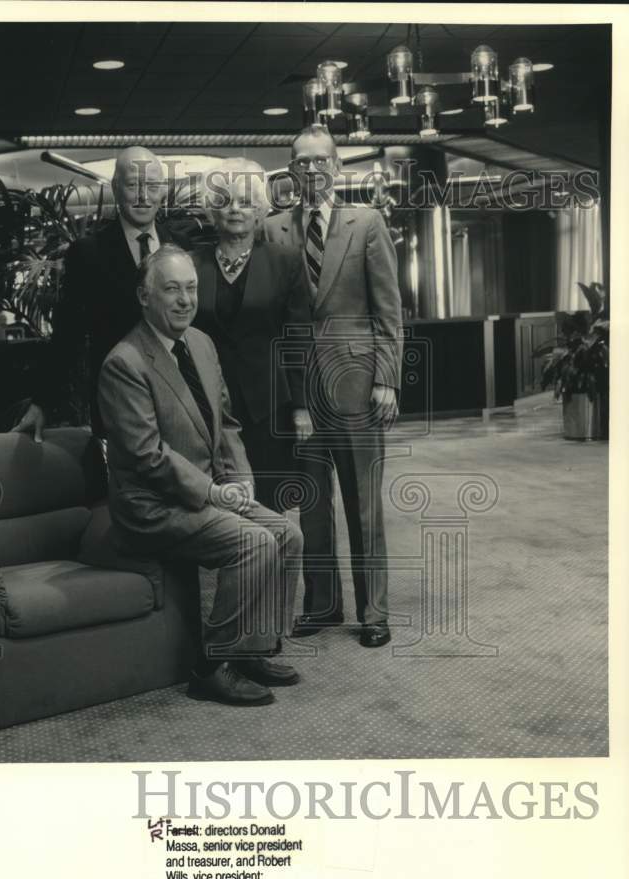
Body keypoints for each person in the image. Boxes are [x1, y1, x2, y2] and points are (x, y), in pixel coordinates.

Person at [97, 245, 304, 706]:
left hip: (209, 493)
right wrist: (213, 491)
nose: (185, 299)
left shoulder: (202, 344)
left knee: (287, 535)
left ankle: (252, 649)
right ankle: (211, 666)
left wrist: (242, 480)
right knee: (254, 542)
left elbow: (226, 425)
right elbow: (148, 456)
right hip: (152, 508)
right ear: (144, 296)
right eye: (171, 289)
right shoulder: (124, 363)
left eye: (191, 288)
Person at [265, 125, 403, 649]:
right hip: (301, 390)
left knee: (364, 501)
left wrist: (387, 380)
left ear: (338, 167)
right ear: (291, 170)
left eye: (322, 160)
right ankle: (322, 604)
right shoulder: (275, 229)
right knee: (313, 501)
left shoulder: (366, 222)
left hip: (358, 383)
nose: (313, 170)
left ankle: (374, 612)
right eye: (302, 162)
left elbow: (389, 311)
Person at [14, 146, 189, 441]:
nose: (143, 196)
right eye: (133, 185)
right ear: (115, 188)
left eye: (152, 186)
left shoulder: (183, 246)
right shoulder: (88, 254)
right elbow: (67, 333)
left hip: (182, 403)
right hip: (116, 404)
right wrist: (43, 403)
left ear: (163, 191)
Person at [192, 158, 314, 512]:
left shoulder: (285, 261)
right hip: (209, 408)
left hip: (269, 406)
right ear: (213, 210)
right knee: (221, 510)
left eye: (245, 201)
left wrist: (302, 407)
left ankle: (273, 570)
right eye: (225, 200)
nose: (235, 210)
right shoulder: (192, 264)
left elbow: (298, 339)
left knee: (269, 507)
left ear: (259, 210)